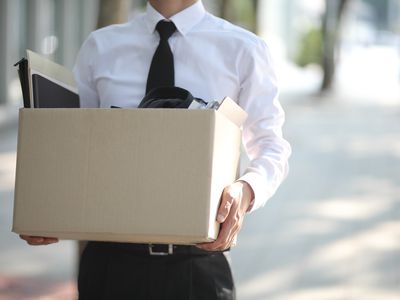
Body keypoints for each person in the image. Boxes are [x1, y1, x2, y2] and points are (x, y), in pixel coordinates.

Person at [20, 0, 291, 299]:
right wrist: (44, 206)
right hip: (109, 265)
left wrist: (247, 190)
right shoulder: (100, 46)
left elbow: (271, 146)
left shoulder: (244, 49)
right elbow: (71, 147)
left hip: (198, 266)